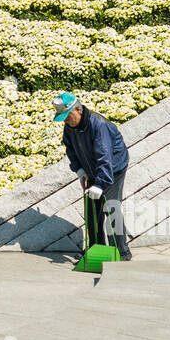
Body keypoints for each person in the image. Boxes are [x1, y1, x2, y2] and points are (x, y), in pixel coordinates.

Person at [53, 92, 133, 261]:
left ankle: (121, 252)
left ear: (78, 110)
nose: (66, 121)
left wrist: (100, 184)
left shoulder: (99, 125)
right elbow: (70, 148)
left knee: (111, 207)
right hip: (91, 168)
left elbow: (105, 157)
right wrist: (79, 170)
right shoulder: (70, 126)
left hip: (113, 169)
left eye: (68, 117)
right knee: (92, 212)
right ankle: (97, 250)